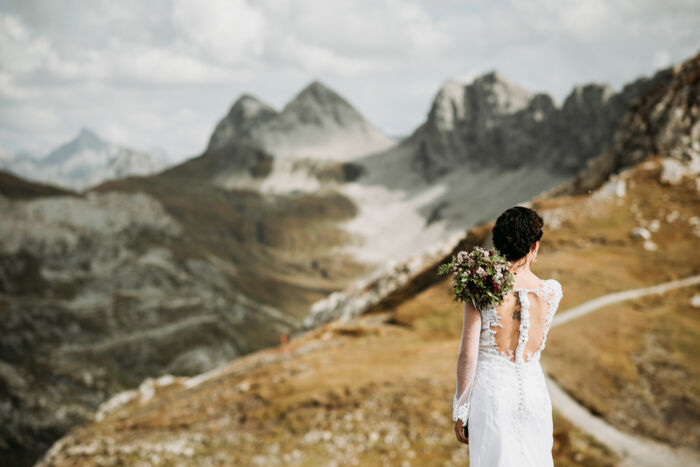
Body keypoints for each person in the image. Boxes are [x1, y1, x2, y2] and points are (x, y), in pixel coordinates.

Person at [452, 206, 563, 466]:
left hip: (492, 396)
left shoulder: (480, 288)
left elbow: (468, 354)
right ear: (534, 245)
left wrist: (461, 408)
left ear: (499, 244)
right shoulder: (551, 292)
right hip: (534, 394)